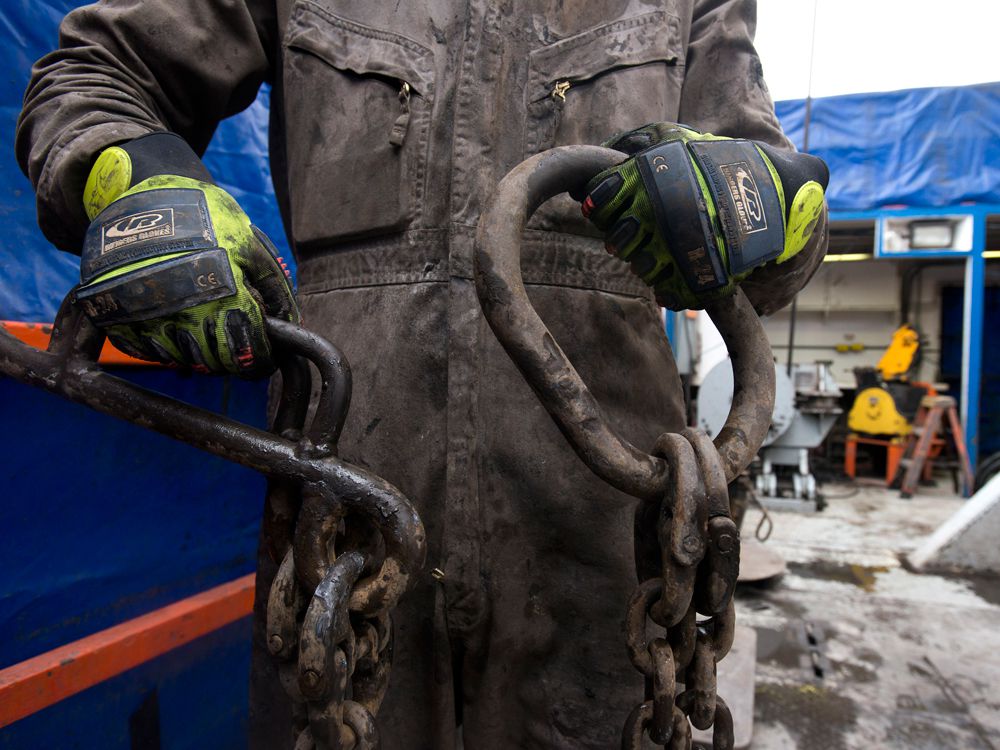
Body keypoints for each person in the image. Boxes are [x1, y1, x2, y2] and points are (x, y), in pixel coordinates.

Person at [16, 1, 828, 747]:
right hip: (343, 513)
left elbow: (781, 235)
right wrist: (139, 186)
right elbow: (95, 77)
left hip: (599, 528)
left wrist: (755, 201)